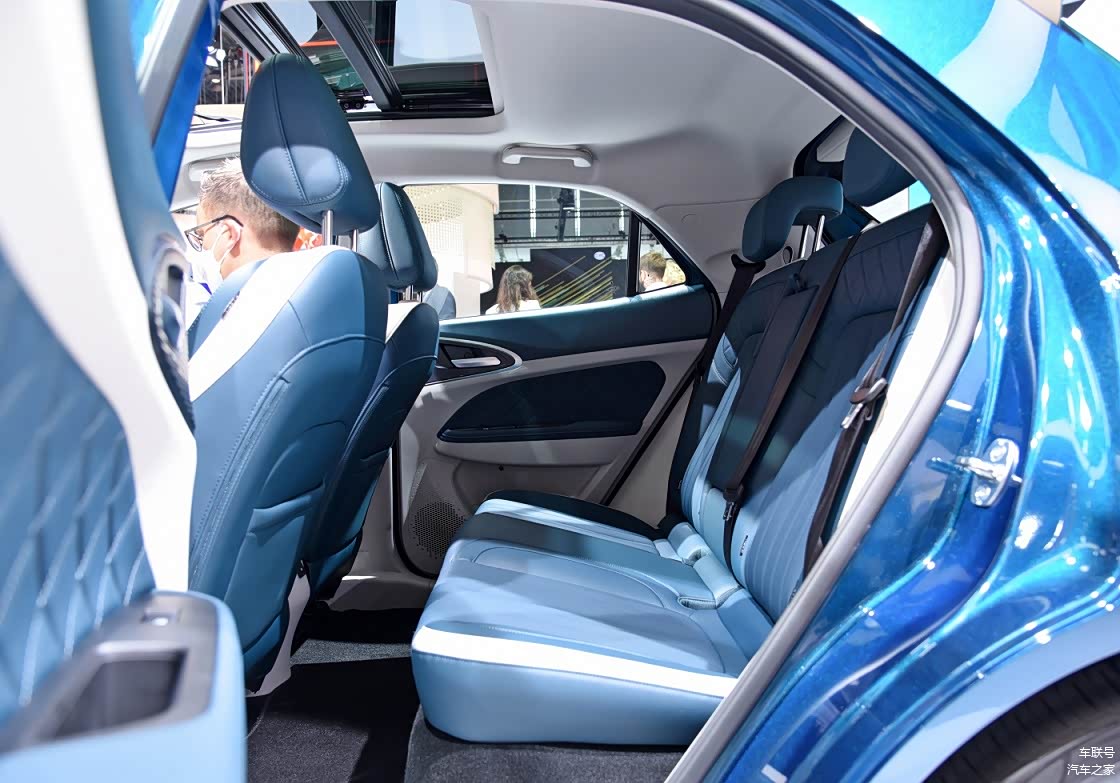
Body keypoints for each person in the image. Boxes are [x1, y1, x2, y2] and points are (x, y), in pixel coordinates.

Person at [182, 158, 301, 324]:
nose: (202, 246)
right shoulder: (313, 292)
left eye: (201, 235)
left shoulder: (229, 323)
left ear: (229, 233)